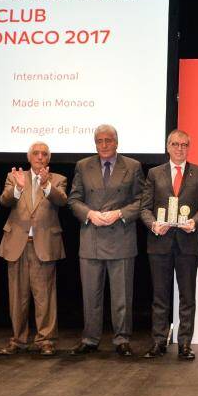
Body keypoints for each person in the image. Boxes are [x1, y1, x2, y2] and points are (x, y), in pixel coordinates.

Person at [67, 124, 145, 357]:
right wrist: (90, 214)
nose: (104, 145)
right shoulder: (83, 166)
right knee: (91, 295)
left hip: (121, 237)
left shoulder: (132, 166)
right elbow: (74, 199)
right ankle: (90, 339)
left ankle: (122, 339)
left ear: (116, 142)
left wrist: (119, 214)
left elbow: (142, 200)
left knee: (122, 295)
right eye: (99, 141)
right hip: (91, 237)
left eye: (108, 140)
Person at [140, 129, 198, 360]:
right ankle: (159, 342)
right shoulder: (154, 173)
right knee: (160, 296)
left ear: (189, 147)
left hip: (188, 243)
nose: (180, 149)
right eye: (175, 144)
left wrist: (195, 221)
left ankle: (185, 344)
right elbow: (144, 208)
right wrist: (153, 225)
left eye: (184, 145)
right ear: (168, 146)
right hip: (159, 242)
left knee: (187, 296)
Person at [0, 141, 68, 357]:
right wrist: (17, 188)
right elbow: (4, 201)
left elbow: (62, 201)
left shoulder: (58, 179)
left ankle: (46, 340)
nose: (40, 157)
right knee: (17, 297)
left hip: (44, 244)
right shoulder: (15, 177)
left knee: (45, 296)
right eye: (35, 154)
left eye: (44, 154)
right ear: (29, 157)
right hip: (17, 244)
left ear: (49, 158)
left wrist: (46, 185)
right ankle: (18, 340)